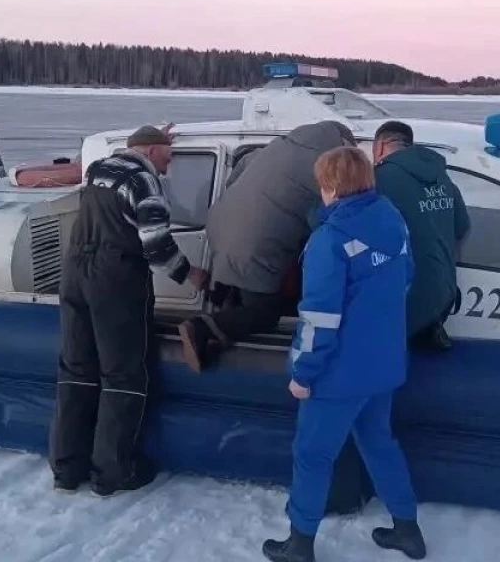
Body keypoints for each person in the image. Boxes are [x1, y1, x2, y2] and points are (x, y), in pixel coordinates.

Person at [263, 147, 427, 562]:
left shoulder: (330, 239)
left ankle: (299, 543)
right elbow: (405, 279)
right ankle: (407, 529)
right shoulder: (392, 220)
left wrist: (304, 373)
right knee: (379, 444)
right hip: (383, 365)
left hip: (337, 374)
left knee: (312, 455)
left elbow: (319, 318)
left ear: (332, 186)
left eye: (323, 182)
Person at [50, 124, 209, 496]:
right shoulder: (144, 181)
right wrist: (192, 276)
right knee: (122, 375)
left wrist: (157, 132)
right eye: (167, 157)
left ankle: (66, 470)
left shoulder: (99, 170)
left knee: (76, 370)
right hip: (115, 280)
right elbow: (156, 247)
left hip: (74, 273)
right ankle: (112, 473)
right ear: (151, 152)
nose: (168, 168)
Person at [176, 120, 355, 373]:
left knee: (241, 288)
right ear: (341, 143)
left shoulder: (279, 146)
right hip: (256, 244)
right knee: (267, 311)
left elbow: (237, 175)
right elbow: (335, 214)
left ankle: (223, 304)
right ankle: (201, 328)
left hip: (220, 225)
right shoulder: (326, 164)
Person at [372, 120, 470, 351]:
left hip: (405, 303)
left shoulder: (380, 178)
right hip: (443, 296)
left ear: (380, 146)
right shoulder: (442, 178)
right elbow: (462, 228)